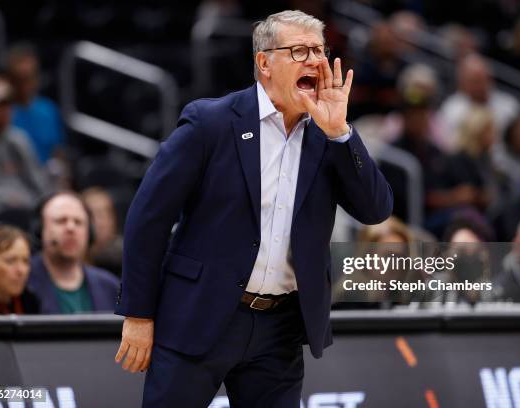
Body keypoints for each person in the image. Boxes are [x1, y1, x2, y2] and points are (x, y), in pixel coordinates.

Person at [114, 10, 393, 407]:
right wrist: (139, 315)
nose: (315, 60)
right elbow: (148, 218)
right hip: (199, 316)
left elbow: (376, 210)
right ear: (264, 62)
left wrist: (340, 133)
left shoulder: (328, 135)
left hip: (279, 329)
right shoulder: (210, 122)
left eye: (319, 50)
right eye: (299, 51)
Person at [27, 191, 119, 314]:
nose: (71, 228)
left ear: (89, 233)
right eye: (61, 221)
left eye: (78, 222)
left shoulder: (110, 287)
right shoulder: (21, 283)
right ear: (39, 230)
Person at [0, 77, 49, 217]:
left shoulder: (18, 140)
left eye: (6, 107)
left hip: (23, 213)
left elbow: (40, 186)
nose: (2, 113)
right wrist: (3, 198)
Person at [6, 43, 66, 165]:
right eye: (19, 79)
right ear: (10, 79)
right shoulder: (2, 111)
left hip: (45, 178)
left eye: (29, 77)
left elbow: (58, 153)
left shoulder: (49, 109)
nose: (24, 86)